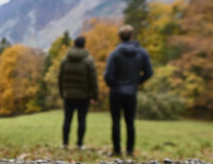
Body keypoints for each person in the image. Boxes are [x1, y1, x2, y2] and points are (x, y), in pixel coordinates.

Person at [103, 25, 153, 156]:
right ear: (132, 36)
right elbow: (149, 72)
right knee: (130, 122)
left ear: (119, 37)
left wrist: (113, 85)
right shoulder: (142, 53)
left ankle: (117, 150)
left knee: (115, 121)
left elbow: (108, 75)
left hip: (116, 92)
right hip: (131, 92)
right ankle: (130, 151)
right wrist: (136, 82)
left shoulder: (114, 54)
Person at [59, 35, 98, 149]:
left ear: (74, 44)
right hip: (84, 96)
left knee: (67, 119)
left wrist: (62, 93)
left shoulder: (65, 59)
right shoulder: (88, 60)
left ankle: (65, 143)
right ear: (84, 45)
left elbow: (60, 78)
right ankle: (79, 144)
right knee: (82, 120)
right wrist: (94, 96)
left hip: (68, 95)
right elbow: (93, 79)